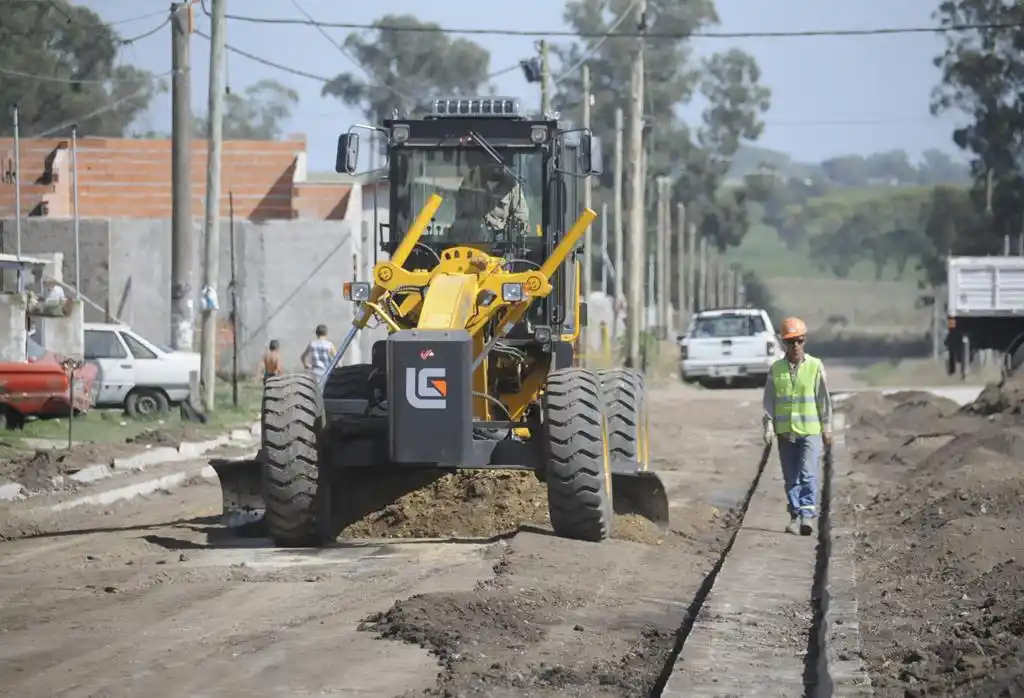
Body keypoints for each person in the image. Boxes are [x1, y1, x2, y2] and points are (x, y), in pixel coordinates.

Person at [761, 316, 833, 536]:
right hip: (786, 433)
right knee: (791, 477)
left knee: (808, 473)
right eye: (791, 342)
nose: (796, 346)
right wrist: (769, 424)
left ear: (805, 341)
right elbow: (769, 400)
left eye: (799, 341)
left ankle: (807, 516)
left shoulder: (814, 366)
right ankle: (795, 515)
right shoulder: (776, 369)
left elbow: (823, 399)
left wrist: (827, 427)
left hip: (809, 431)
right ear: (784, 343)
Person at [451, 153, 530, 241]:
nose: (496, 167)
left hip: (499, 242)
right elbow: (460, 214)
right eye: (492, 162)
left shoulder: (512, 185)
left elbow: (521, 215)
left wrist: (518, 232)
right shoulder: (471, 179)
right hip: (473, 242)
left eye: (499, 163)